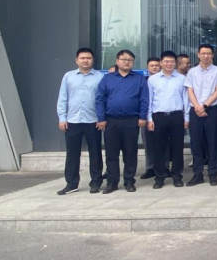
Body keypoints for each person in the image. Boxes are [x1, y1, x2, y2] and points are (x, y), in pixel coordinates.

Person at [96, 50, 149, 194]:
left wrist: (143, 116)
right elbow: (100, 99)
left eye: (130, 60)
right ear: (117, 61)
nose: (126, 62)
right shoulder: (107, 79)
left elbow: (144, 99)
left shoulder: (139, 79)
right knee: (111, 153)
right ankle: (112, 182)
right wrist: (101, 118)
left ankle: (129, 181)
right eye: (123, 59)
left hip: (131, 120)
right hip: (111, 120)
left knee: (130, 152)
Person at [56, 47, 104, 195]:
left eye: (88, 58)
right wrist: (62, 118)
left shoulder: (100, 77)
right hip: (72, 121)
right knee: (72, 154)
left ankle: (96, 182)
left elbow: (103, 99)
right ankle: (71, 184)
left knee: (95, 153)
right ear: (76, 60)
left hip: (93, 121)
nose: (85, 60)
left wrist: (101, 118)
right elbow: (63, 98)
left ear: (93, 60)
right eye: (82, 58)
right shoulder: (68, 76)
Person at [184, 44, 217, 186]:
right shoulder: (192, 72)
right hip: (195, 110)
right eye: (203, 53)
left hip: (212, 109)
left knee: (213, 142)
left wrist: (205, 105)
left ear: (213, 55)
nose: (206, 56)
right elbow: (189, 91)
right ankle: (198, 174)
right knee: (196, 143)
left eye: (208, 53)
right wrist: (197, 106)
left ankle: (213, 174)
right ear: (198, 55)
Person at [147, 51, 189, 189]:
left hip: (176, 116)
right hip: (158, 117)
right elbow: (149, 100)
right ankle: (159, 177)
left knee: (177, 147)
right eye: (166, 61)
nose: (169, 64)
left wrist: (186, 117)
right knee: (158, 148)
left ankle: (177, 176)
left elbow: (186, 99)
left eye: (171, 61)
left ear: (175, 63)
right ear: (161, 63)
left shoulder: (181, 78)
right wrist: (149, 118)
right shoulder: (153, 79)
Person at [140, 57, 162, 180]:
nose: (154, 67)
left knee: (163, 142)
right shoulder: (143, 81)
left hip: (161, 115)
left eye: (156, 65)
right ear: (147, 68)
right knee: (148, 142)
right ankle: (150, 167)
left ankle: (164, 166)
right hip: (146, 115)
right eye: (151, 66)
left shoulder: (164, 80)